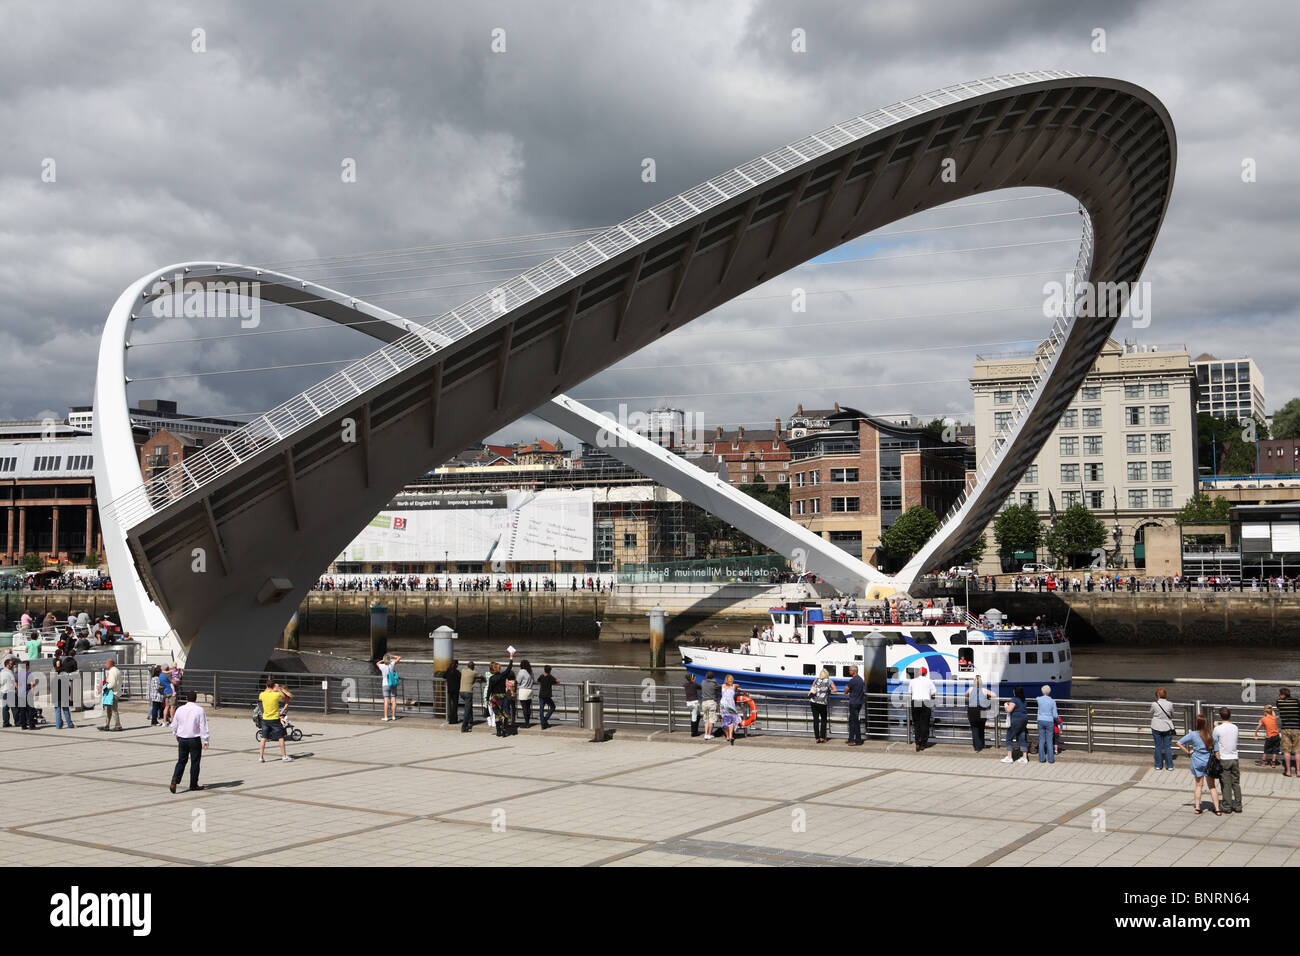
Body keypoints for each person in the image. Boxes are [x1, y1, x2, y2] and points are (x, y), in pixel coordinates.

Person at [1178, 715, 1222, 815]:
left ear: (1197, 724)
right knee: (1212, 786)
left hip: (1197, 762)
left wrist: (1188, 752)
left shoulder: (1193, 734)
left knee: (1198, 785)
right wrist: (1219, 764)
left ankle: (1197, 808)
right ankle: (1217, 809)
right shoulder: (1212, 736)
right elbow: (1217, 752)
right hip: (1209, 763)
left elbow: (1179, 743)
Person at [169, 691, 210, 793]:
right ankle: (193, 784)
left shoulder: (180, 709)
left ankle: (175, 780)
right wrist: (206, 739)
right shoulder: (199, 710)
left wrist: (175, 734)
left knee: (181, 761)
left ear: (187, 698)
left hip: (182, 738)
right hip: (194, 739)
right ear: (195, 699)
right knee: (195, 762)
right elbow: (203, 726)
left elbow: (175, 723)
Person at [257, 678, 294, 762]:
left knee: (264, 738)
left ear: (266, 686)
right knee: (280, 737)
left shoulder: (262, 694)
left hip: (265, 719)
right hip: (275, 719)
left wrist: (268, 688)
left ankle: (261, 757)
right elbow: (284, 697)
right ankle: (284, 756)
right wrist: (278, 689)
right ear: (274, 686)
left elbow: (262, 698)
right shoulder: (276, 695)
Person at [1214, 707, 1242, 814]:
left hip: (1224, 758)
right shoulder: (1235, 727)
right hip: (1234, 757)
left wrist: (1216, 726)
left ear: (1220, 716)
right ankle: (1238, 805)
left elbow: (1214, 741)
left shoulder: (1218, 729)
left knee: (1226, 784)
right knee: (1236, 782)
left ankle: (1227, 805)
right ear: (1230, 716)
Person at [910, 666, 937, 752]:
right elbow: (933, 693)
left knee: (916, 723)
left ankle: (917, 742)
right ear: (926, 673)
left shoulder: (913, 681)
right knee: (925, 723)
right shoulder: (929, 681)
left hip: (916, 701)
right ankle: (923, 744)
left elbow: (910, 692)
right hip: (926, 702)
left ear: (919, 673)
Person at [1150, 687, 1176, 771]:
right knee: (1167, 747)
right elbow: (1172, 714)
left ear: (1157, 695)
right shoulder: (1170, 704)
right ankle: (1169, 766)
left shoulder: (1154, 704)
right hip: (1167, 726)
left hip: (1156, 726)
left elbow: (1151, 712)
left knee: (1158, 746)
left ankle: (1158, 765)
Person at [1276, 688, 1300, 777]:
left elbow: (1278, 709)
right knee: (1298, 751)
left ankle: (1288, 771)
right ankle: (1298, 771)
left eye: (1280, 694)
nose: (1279, 696)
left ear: (1282, 695)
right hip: (1297, 728)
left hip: (1285, 728)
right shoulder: (1296, 701)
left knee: (1286, 751)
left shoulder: (1279, 702)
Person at [966, 675, 992, 752]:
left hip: (972, 710)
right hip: (982, 710)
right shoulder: (984, 690)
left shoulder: (970, 689)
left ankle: (977, 747)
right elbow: (994, 694)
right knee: (981, 728)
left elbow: (966, 694)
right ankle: (982, 744)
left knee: (974, 729)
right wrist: (987, 698)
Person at [807, 669, 834, 743]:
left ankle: (817, 738)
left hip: (813, 702)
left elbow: (812, 689)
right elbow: (835, 689)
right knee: (823, 720)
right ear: (827, 674)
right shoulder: (829, 681)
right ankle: (822, 738)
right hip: (822, 703)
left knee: (815, 720)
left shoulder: (816, 680)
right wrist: (828, 691)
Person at [1002, 693, 1029, 763]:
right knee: (1022, 738)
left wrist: (1005, 705)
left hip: (1016, 720)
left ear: (1015, 691)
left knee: (1009, 738)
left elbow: (1009, 710)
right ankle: (1024, 757)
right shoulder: (1023, 700)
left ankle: (1009, 757)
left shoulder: (1014, 699)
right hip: (1024, 720)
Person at [1035, 684, 1058, 763]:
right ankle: (1051, 759)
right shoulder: (1052, 701)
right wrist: (1058, 721)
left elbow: (1037, 698)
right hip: (1049, 721)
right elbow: (1055, 715)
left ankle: (1042, 759)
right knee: (1049, 740)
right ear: (1049, 692)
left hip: (1040, 720)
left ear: (1042, 691)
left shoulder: (1039, 699)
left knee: (1041, 740)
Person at [99, 657, 123, 731]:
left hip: (112, 693)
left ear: (110, 664)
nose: (106, 664)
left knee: (113, 710)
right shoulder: (117, 670)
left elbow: (112, 683)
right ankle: (106, 725)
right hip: (116, 692)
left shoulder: (112, 671)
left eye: (107, 663)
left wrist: (105, 687)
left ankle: (118, 725)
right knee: (109, 710)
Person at [376, 653, 402, 722]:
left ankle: (386, 717)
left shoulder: (381, 666)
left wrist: (382, 660)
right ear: (389, 659)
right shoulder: (392, 664)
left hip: (385, 685)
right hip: (393, 684)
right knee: (393, 701)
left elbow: (377, 663)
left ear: (384, 660)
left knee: (386, 701)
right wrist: (392, 656)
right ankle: (393, 716)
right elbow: (399, 657)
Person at [52, 659, 75, 729]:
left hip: (56, 697)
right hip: (64, 697)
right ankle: (70, 724)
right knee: (66, 711)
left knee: (57, 711)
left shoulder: (54, 679)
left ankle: (58, 725)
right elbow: (68, 688)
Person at [844, 665, 865, 746]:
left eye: (850, 670)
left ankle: (858, 740)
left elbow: (846, 690)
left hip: (853, 703)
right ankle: (851, 738)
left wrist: (846, 691)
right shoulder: (860, 680)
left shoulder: (852, 680)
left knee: (855, 722)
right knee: (852, 721)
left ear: (853, 671)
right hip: (859, 702)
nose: (849, 671)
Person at [720, 675, 742, 746]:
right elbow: (737, 686)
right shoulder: (734, 686)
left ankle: (727, 737)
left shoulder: (722, 686)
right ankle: (731, 736)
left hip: (723, 705)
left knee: (725, 720)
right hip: (730, 705)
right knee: (732, 720)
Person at [700, 671, 721, 740]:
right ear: (713, 676)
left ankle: (705, 734)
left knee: (706, 719)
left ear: (706, 676)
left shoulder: (703, 682)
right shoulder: (714, 683)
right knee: (711, 719)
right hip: (712, 702)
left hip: (704, 702)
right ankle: (709, 734)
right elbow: (719, 688)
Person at [459, 662, 478, 732]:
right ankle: (464, 727)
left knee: (469, 707)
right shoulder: (474, 672)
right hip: (468, 692)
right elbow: (481, 677)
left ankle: (471, 720)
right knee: (467, 709)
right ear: (473, 667)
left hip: (461, 692)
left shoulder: (463, 671)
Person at [537, 665, 558, 729]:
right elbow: (556, 681)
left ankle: (543, 723)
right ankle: (545, 720)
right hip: (547, 696)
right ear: (550, 670)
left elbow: (538, 681)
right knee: (553, 707)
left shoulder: (541, 676)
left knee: (541, 709)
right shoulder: (550, 677)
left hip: (541, 695)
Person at [516, 660, 535, 728]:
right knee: (528, 707)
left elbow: (518, 681)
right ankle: (528, 722)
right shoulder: (531, 671)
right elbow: (533, 680)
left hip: (523, 690)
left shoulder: (522, 671)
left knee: (524, 707)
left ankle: (526, 723)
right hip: (530, 690)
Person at [683, 672, 701, 737]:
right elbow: (701, 687)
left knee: (696, 715)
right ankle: (694, 733)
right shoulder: (695, 685)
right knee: (694, 717)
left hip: (688, 703)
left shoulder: (685, 685)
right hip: (694, 702)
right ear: (692, 679)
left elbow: (685, 685)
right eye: (695, 678)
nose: (696, 679)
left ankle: (695, 731)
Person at [443, 660, 460, 724]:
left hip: (450, 690)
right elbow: (460, 678)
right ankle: (454, 719)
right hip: (456, 690)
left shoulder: (448, 671)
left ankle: (450, 719)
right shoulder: (457, 672)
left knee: (450, 705)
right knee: (455, 705)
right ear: (456, 665)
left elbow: (444, 676)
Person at [0, 658, 15, 727]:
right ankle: (17, 722)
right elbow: (14, 682)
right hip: (10, 691)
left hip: (3, 692)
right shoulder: (9, 672)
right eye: (11, 664)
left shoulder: (1, 672)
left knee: (5, 709)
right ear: (7, 664)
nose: (12, 665)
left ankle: (5, 723)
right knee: (14, 708)